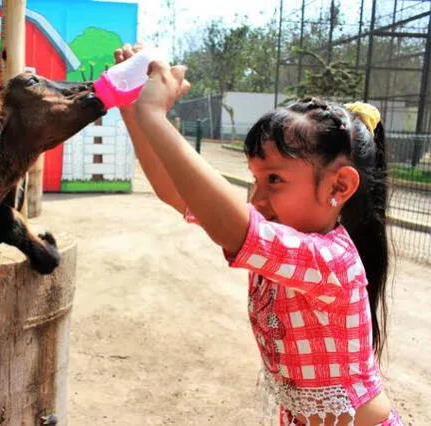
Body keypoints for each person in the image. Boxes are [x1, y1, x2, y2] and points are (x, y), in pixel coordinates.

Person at [114, 44, 402, 426]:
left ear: (339, 186)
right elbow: (176, 193)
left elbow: (235, 228)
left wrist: (155, 116)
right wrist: (132, 107)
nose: (257, 197)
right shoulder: (282, 236)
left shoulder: (330, 260)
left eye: (275, 179)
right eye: (255, 179)